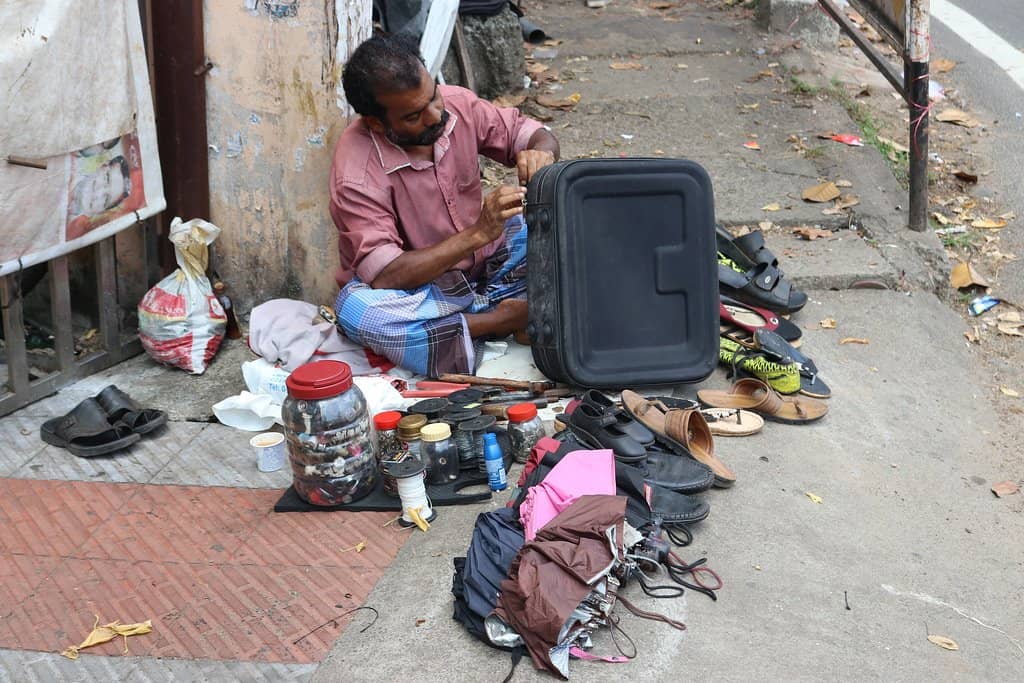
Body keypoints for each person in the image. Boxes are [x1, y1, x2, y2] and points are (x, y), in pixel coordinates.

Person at [329, 33, 559, 376]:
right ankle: (499, 320)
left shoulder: (457, 105)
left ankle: (487, 316)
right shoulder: (356, 172)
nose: (435, 116)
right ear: (377, 123)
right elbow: (387, 276)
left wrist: (542, 154)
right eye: (413, 116)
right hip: (422, 294)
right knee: (357, 310)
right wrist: (477, 234)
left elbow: (532, 134)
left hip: (490, 268)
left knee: (565, 225)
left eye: (433, 96)